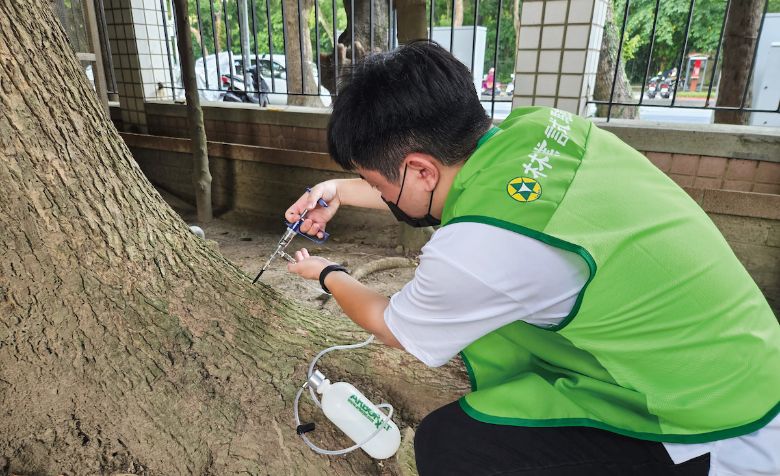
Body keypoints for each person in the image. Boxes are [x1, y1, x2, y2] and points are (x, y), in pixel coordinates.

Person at [284, 41, 780, 475]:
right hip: (748, 361)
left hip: (719, 427)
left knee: (451, 447)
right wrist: (342, 190)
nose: (377, 192)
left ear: (419, 170)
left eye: (376, 182)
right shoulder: (544, 131)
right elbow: (460, 196)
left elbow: (394, 327)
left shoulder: (476, 252)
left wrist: (327, 274)